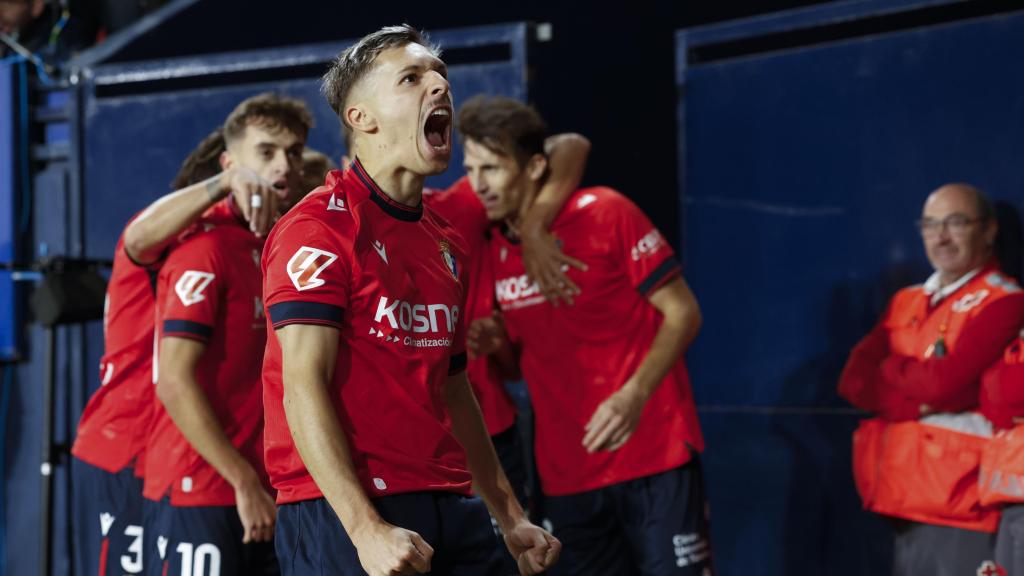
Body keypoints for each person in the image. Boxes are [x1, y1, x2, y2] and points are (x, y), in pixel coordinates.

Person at [262, 25, 560, 576]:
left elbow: (453, 384)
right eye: (412, 77)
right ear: (362, 118)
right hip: (344, 508)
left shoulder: (445, 240)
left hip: (448, 498)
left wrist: (509, 512)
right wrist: (364, 530)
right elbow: (301, 386)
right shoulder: (316, 229)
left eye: (441, 76)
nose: (439, 86)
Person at [460, 95, 711, 574]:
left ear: (535, 168)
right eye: (471, 168)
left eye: (491, 168)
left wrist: (633, 396)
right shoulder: (493, 246)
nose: (478, 185)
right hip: (566, 477)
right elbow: (520, 364)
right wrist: (498, 347)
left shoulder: (605, 212)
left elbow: (684, 312)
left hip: (653, 455)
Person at [141, 93, 312, 576]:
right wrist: (242, 481)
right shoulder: (204, 248)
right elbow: (173, 381)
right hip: (205, 488)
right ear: (229, 163)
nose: (282, 165)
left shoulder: (287, 245)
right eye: (266, 151)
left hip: (267, 488)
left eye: (294, 152)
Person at [69, 126, 239, 576]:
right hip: (125, 446)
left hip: (172, 454)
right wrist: (226, 183)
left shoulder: (234, 250)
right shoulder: (164, 241)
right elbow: (140, 236)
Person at [839, 183, 1024, 576]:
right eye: (930, 224)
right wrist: (918, 398)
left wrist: (891, 369)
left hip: (964, 505)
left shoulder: (1004, 299)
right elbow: (854, 381)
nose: (940, 236)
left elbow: (949, 384)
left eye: (955, 223)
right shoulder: (906, 299)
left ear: (989, 230)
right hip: (902, 499)